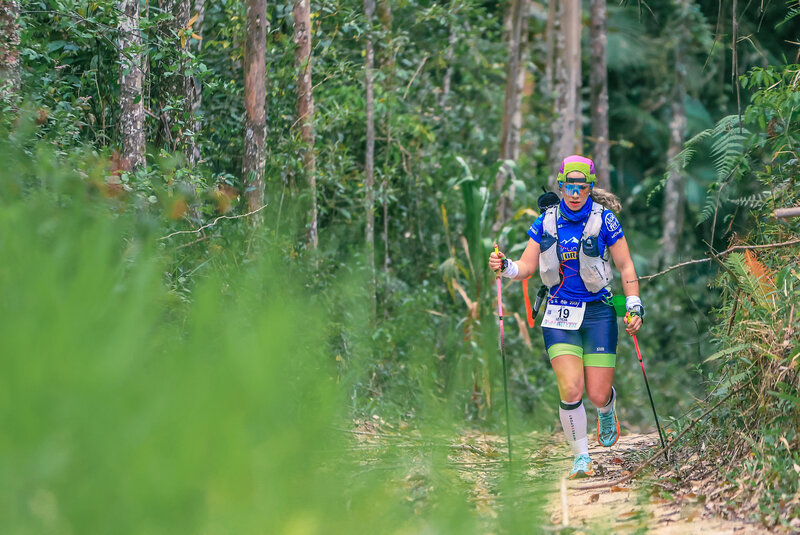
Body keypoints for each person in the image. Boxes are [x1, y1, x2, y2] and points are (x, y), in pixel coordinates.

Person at [488, 155, 644, 479]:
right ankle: (581, 458)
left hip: (599, 312)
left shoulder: (606, 221)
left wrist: (633, 305)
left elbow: (626, 266)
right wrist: (506, 267)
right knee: (571, 389)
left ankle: (606, 407)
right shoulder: (545, 222)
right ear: (560, 187)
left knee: (597, 393)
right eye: (569, 187)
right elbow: (527, 267)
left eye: (582, 188)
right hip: (560, 315)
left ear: (590, 188)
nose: (575, 194)